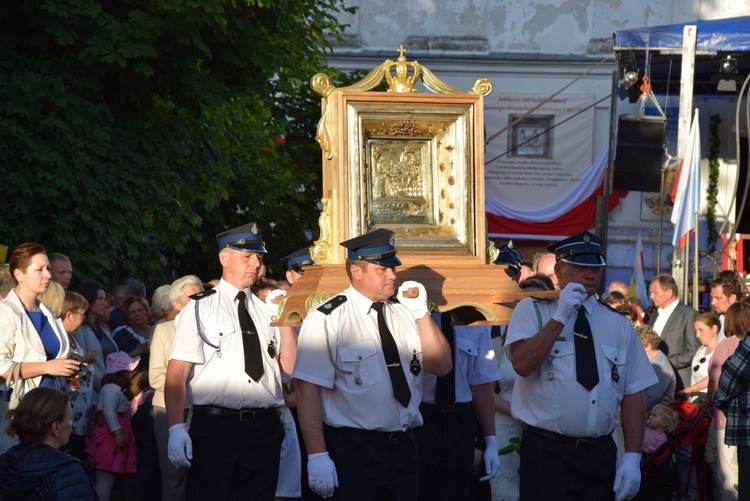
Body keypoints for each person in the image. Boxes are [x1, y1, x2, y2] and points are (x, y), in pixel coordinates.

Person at [293, 228, 452, 500]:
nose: (393, 275)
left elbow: (441, 365)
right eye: (383, 269)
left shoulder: (404, 312)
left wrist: (421, 313)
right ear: (357, 271)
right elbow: (308, 389)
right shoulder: (328, 318)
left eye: (393, 268)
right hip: (354, 449)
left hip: (404, 446)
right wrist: (317, 454)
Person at [505, 231, 657, 501]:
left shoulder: (617, 322)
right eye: (581, 267)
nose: (591, 274)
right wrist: (561, 316)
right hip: (548, 452)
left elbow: (633, 391)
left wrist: (632, 458)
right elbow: (522, 364)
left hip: (599, 452)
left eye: (595, 267)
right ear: (559, 270)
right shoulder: (533, 310)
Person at [165, 222, 296, 501]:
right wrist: (176, 427)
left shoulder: (265, 310)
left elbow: (290, 368)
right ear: (224, 258)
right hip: (216, 426)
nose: (256, 263)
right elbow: (176, 373)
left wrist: (284, 317)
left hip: (263, 426)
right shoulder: (199, 307)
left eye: (259, 257)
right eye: (247, 256)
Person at [416, 312, 500, 501]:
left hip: (459, 420)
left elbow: (480, 384)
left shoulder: (474, 318)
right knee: (417, 489)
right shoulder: (411, 314)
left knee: (455, 491)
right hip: (420, 418)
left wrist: (491, 440)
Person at [0, 243, 78, 411]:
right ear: (19, 275)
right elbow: (1, 367)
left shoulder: (47, 312)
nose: (48, 275)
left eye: (48, 268)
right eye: (40, 269)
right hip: (22, 406)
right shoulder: (5, 311)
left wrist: (69, 368)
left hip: (52, 403)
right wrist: (47, 367)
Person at [149, 274, 202, 501]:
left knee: (204, 473)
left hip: (204, 409)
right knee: (174, 475)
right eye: (192, 298)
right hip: (169, 410)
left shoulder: (211, 328)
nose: (198, 302)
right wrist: (186, 387)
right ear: (176, 304)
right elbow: (156, 376)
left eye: (202, 296)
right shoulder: (164, 330)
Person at [0, 387, 97, 500]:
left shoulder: (5, 461)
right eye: (70, 418)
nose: (71, 424)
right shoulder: (69, 471)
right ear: (56, 427)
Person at [707, 302, 750, 500]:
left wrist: (718, 401)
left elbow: (726, 379)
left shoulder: (734, 344)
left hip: (744, 426)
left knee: (733, 479)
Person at [85, 351, 140, 501]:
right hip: (109, 440)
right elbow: (108, 411)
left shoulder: (115, 390)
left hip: (113, 440)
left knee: (108, 480)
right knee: (105, 481)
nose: (133, 373)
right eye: (130, 370)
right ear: (122, 372)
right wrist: (118, 433)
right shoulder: (111, 389)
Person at [57, 291, 96, 461]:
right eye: (82, 314)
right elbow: (62, 369)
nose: (84, 318)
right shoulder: (58, 337)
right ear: (69, 315)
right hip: (68, 412)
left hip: (82, 413)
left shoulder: (72, 335)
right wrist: (84, 360)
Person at [648, 274, 701, 392]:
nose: (651, 296)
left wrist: (664, 363)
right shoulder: (655, 314)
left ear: (669, 293)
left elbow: (694, 351)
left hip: (679, 383)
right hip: (654, 382)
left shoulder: (688, 315)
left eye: (655, 292)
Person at [74, 281, 119, 395]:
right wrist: (104, 387)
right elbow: (82, 363)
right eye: (100, 299)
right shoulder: (79, 329)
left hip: (110, 390)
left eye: (104, 299)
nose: (104, 303)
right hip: (93, 393)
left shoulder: (102, 327)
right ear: (88, 300)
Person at [680, 312, 720, 401]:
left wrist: (691, 389)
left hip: (710, 401)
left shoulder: (721, 350)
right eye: (696, 331)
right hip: (695, 400)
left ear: (714, 329)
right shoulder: (701, 350)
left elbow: (714, 376)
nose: (697, 335)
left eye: (701, 330)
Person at [636, 325, 677, 410]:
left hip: (658, 416)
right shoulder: (648, 361)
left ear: (648, 346)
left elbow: (651, 397)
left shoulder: (660, 365)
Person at [112, 296, 152, 365]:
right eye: (132, 312)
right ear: (127, 317)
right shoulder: (121, 336)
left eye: (140, 310)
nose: (137, 314)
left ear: (147, 311)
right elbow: (115, 363)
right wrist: (136, 352)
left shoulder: (157, 330)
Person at [710, 275, 742, 342]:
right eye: (712, 298)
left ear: (732, 298)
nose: (712, 302)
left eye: (718, 298)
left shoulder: (741, 324)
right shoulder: (721, 319)